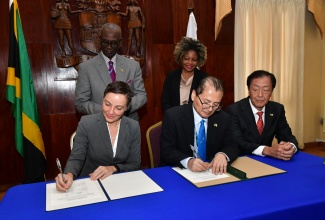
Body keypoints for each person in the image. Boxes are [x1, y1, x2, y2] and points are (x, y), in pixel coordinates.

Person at [56, 81, 141, 192]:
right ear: (102, 100)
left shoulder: (133, 126)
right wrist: (69, 174)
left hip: (122, 184)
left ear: (126, 108)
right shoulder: (87, 123)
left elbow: (134, 164)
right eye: (107, 104)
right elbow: (77, 157)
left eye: (118, 108)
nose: (111, 112)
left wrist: (114, 168)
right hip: (92, 183)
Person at [160, 76, 239, 174]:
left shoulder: (223, 118)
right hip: (180, 172)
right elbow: (167, 150)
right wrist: (188, 162)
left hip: (210, 173)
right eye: (206, 102)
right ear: (193, 95)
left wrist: (223, 155)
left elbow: (232, 146)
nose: (210, 109)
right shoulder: (173, 116)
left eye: (216, 105)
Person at [75, 22, 147, 121]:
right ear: (99, 40)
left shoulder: (133, 66)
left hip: (128, 123)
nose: (109, 46)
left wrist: (123, 107)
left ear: (120, 42)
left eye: (113, 43)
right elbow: (81, 103)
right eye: (105, 42)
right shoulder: (86, 68)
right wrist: (108, 110)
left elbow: (141, 96)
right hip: (99, 124)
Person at [226, 70, 298, 160]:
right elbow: (237, 142)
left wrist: (290, 147)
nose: (260, 95)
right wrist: (267, 150)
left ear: (271, 91)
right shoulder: (234, 110)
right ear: (248, 90)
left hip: (268, 160)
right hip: (242, 159)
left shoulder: (277, 109)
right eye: (255, 89)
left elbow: (288, 136)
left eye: (266, 90)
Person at [161, 37, 208, 113]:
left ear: (198, 61)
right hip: (173, 118)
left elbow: (205, 102)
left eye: (194, 60)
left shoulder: (204, 78)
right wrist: (174, 117)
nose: (190, 62)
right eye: (186, 58)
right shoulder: (171, 76)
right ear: (181, 58)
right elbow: (165, 102)